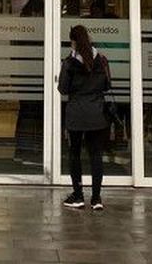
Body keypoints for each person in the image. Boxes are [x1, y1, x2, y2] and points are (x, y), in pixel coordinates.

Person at [57, 24, 112, 211]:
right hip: (96, 114)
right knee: (96, 155)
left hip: (76, 114)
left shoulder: (69, 63)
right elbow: (106, 85)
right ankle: (96, 198)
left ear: (73, 41)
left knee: (74, 154)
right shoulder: (101, 60)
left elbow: (62, 88)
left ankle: (78, 195)